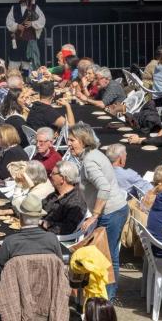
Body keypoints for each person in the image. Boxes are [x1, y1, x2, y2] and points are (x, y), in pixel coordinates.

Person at [68, 123, 127, 300]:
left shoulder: (89, 161)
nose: (69, 144)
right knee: (109, 255)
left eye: (72, 140)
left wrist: (94, 215)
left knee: (105, 257)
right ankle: (107, 295)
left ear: (83, 141)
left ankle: (106, 298)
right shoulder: (92, 155)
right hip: (114, 211)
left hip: (111, 212)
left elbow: (104, 188)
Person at [0, 193, 62, 278]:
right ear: (39, 217)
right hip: (47, 287)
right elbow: (59, 266)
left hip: (16, 288)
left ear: (21, 218)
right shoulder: (52, 239)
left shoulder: (10, 242)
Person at [5, 0, 46, 73]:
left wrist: (32, 23)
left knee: (28, 64)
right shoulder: (14, 8)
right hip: (16, 41)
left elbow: (42, 20)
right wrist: (17, 26)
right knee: (14, 62)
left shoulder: (35, 8)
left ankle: (28, 82)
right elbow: (9, 22)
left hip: (29, 42)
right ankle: (13, 81)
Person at [41, 160, 87, 235]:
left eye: (53, 173)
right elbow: (39, 207)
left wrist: (48, 224)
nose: (50, 175)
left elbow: (68, 228)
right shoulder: (54, 195)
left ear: (62, 179)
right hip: (37, 230)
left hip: (50, 237)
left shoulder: (76, 202)